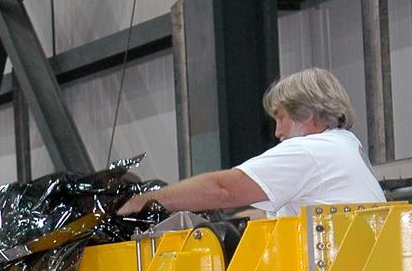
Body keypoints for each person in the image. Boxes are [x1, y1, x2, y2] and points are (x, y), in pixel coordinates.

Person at [116, 67, 385, 221]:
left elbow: (222, 189)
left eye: (281, 118)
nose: (278, 132)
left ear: (309, 114)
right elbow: (273, 213)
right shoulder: (345, 145)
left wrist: (142, 202)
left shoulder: (310, 151)